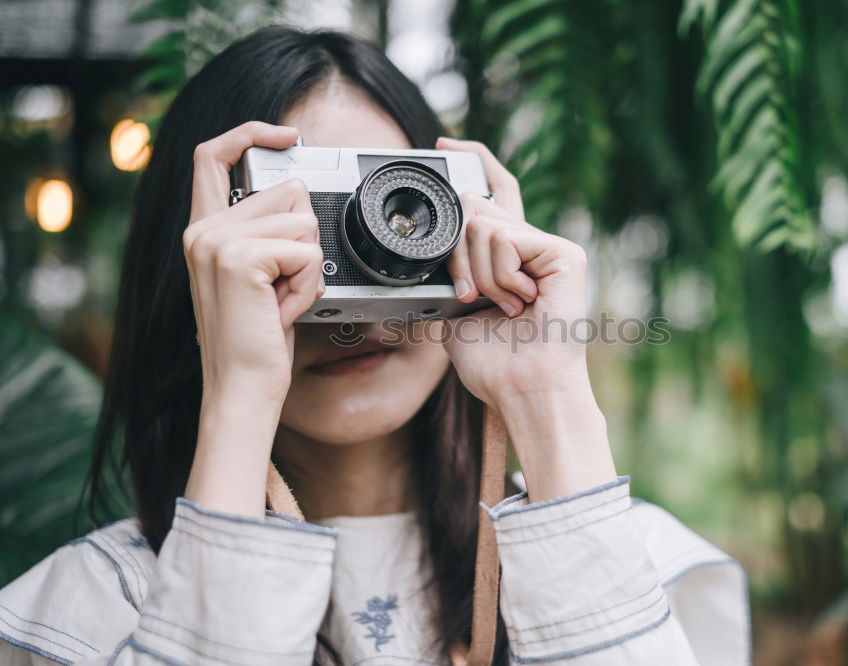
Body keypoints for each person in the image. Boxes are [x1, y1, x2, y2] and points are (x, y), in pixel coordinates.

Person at [0, 27, 748, 665]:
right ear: (195, 267)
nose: (347, 296)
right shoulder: (85, 610)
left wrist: (547, 401)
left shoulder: (637, 561)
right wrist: (236, 393)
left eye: (401, 208)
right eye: (288, 233)